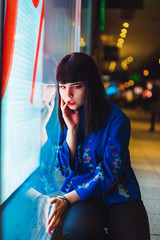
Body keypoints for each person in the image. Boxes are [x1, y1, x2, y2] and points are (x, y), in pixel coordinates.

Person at [48, 52, 150, 240]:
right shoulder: (67, 114)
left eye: (76, 86)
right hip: (83, 195)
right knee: (78, 229)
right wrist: (72, 131)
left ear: (91, 85)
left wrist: (66, 199)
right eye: (62, 87)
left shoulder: (116, 119)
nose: (67, 94)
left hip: (119, 193)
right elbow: (63, 169)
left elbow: (110, 174)